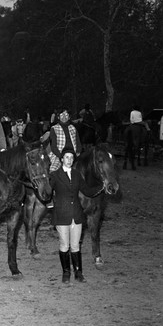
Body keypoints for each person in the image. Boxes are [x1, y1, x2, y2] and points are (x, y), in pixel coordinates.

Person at [50, 148, 103, 284]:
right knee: (64, 245)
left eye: (71, 158)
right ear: (62, 159)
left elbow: (87, 191)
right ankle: (66, 272)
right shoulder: (55, 175)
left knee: (75, 246)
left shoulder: (77, 174)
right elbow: (47, 192)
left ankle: (78, 272)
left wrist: (101, 186)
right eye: (66, 157)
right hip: (62, 215)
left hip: (76, 214)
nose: (69, 160)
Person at [49, 108, 81, 172]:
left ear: (69, 117)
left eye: (66, 115)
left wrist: (78, 152)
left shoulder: (73, 128)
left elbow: (78, 142)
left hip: (72, 154)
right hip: (59, 155)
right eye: (62, 115)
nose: (64, 117)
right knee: (53, 171)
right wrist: (61, 157)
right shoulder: (54, 128)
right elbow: (53, 147)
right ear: (58, 117)